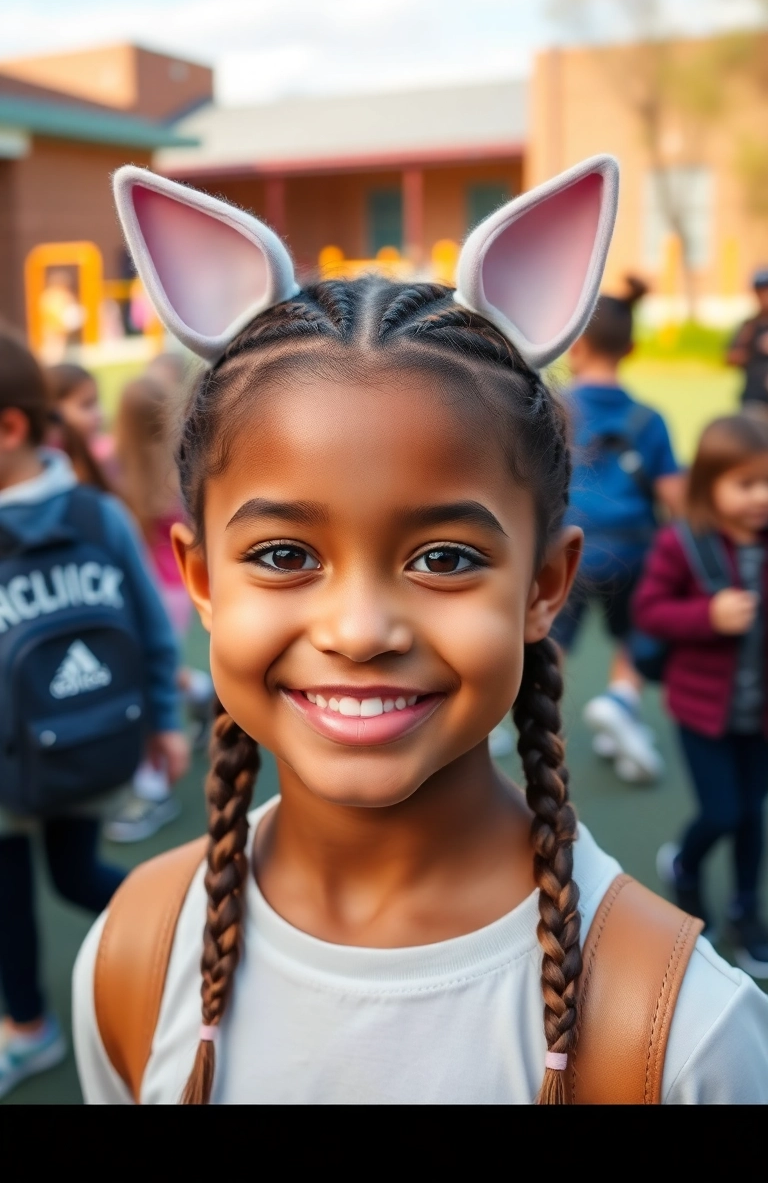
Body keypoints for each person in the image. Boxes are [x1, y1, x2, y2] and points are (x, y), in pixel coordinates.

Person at [73, 162, 768, 1105]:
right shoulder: (135, 949)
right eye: (284, 556)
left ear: (544, 585)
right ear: (200, 580)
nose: (359, 630)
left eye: (443, 558)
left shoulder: (685, 1035)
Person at [0, 327, 188, 1100]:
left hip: (80, 746)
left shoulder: (96, 514)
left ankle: (184, 945)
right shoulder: (94, 508)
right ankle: (35, 1022)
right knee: (30, 890)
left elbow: (147, 621)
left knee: (65, 878)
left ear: (11, 428)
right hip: (32, 758)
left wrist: (170, 718)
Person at [634, 415, 768, 978]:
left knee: (751, 819)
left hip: (757, 715)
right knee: (723, 810)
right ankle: (684, 866)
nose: (761, 497)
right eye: (746, 483)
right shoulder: (683, 543)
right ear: (709, 483)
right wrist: (707, 614)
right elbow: (649, 611)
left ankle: (745, 909)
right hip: (702, 711)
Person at [550, 276, 686, 784]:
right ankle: (619, 702)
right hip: (635, 547)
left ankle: (538, 721)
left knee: (554, 637)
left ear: (576, 345)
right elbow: (674, 496)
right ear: (630, 348)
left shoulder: (554, 408)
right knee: (633, 634)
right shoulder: (649, 419)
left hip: (568, 545)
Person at [102, 374, 211, 843]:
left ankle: (154, 785)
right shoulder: (177, 465)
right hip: (168, 588)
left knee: (147, 674)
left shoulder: (114, 467)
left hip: (143, 591)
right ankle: (203, 694)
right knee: (153, 670)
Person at [726, 269, 768, 420]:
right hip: (754, 398)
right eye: (761, 291)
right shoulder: (749, 325)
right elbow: (731, 357)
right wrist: (750, 348)